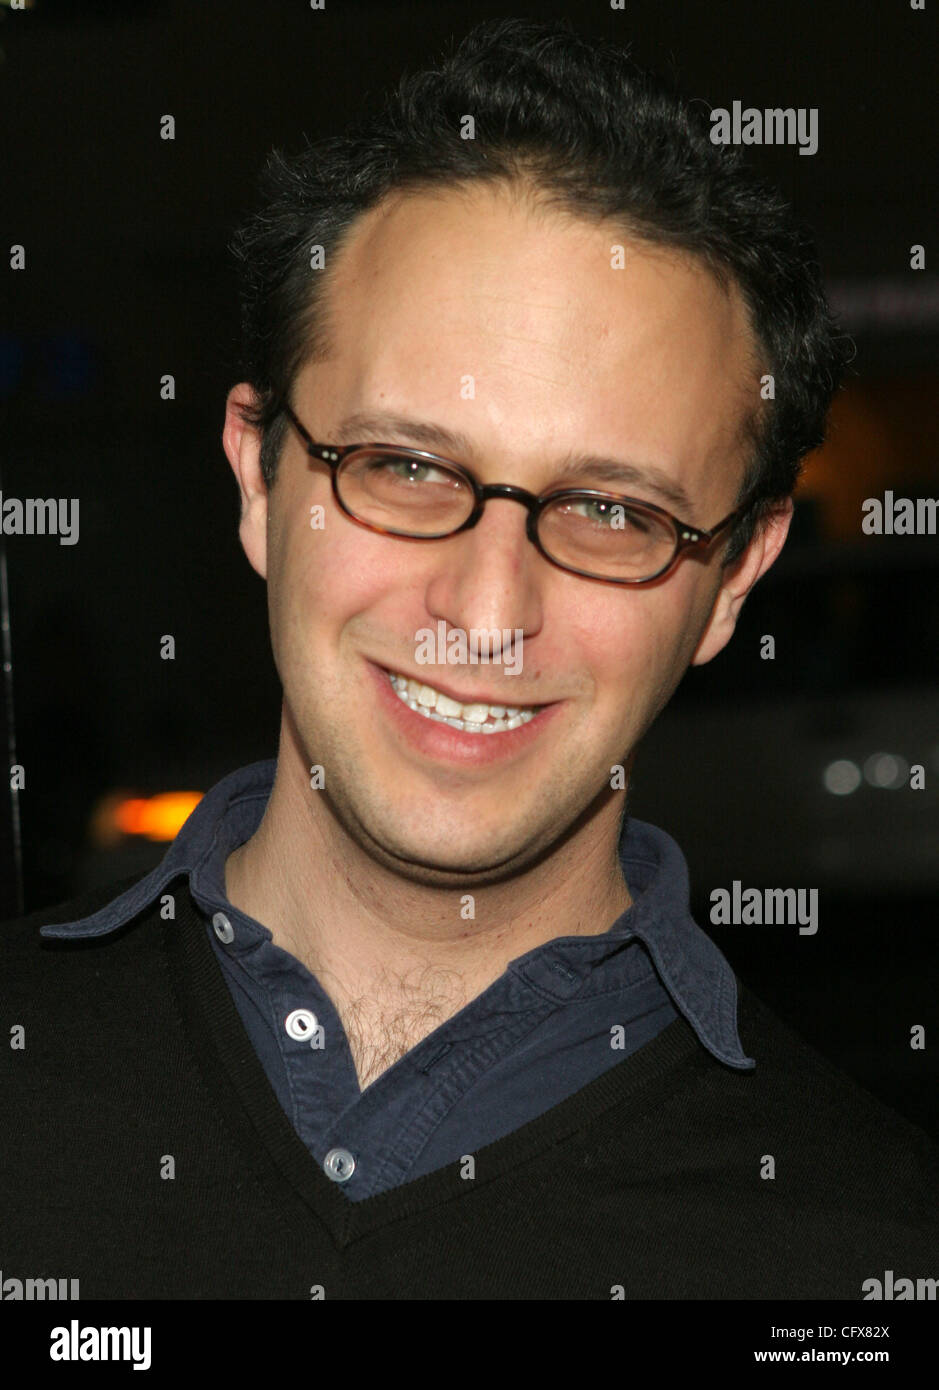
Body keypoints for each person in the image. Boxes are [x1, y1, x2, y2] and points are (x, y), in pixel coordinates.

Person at [3, 18, 936, 1300]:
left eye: (612, 511)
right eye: (405, 467)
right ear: (259, 481)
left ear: (733, 581)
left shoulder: (870, 1265)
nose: (488, 608)